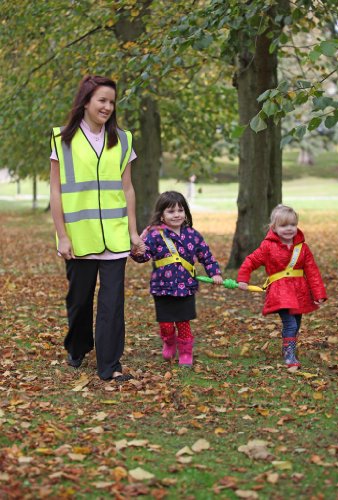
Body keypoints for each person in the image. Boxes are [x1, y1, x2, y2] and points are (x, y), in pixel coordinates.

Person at [50, 75, 145, 383]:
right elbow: (56, 192)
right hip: (80, 237)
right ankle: (78, 346)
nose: (107, 106)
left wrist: (133, 233)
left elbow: (127, 189)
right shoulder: (62, 139)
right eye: (102, 100)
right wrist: (62, 235)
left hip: (115, 236)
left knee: (113, 303)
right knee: (79, 301)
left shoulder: (124, 139)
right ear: (86, 101)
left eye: (111, 102)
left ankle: (109, 364)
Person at [131, 191, 223, 366]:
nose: (177, 215)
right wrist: (138, 251)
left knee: (183, 322)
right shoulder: (155, 234)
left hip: (186, 286)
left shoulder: (193, 235)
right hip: (162, 287)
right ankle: (169, 341)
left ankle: (186, 352)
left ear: (186, 213)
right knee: (166, 324)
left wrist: (215, 273)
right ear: (162, 215)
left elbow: (207, 256)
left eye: (180, 210)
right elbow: (144, 256)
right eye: (171, 211)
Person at [237, 204, 327, 368]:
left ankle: (288, 346)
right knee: (290, 324)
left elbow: (312, 271)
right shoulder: (268, 246)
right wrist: (243, 278)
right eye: (284, 225)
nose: (289, 229)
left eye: (292, 225)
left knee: (296, 324)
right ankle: (289, 356)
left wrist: (318, 294)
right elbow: (251, 260)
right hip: (280, 292)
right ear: (274, 227)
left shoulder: (302, 248)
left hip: (299, 292)